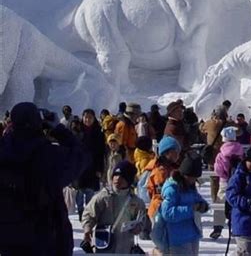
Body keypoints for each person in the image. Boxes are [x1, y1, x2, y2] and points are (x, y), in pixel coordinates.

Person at [0, 102, 87, 256]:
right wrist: (59, 130)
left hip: (8, 240)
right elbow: (81, 156)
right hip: (47, 239)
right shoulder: (50, 155)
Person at [82, 160, 147, 254]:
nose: (117, 179)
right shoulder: (104, 197)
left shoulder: (136, 201)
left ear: (129, 180)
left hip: (125, 247)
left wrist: (138, 227)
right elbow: (89, 214)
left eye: (122, 176)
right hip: (105, 245)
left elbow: (142, 219)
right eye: (115, 175)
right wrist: (87, 228)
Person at [160, 152, 209, 255]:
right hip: (177, 238)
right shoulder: (172, 189)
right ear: (185, 175)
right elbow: (167, 213)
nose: (194, 180)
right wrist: (190, 209)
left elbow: (198, 199)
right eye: (192, 177)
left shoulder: (190, 187)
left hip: (192, 235)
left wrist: (203, 205)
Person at [200, 106, 230, 240]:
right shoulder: (229, 124)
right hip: (227, 159)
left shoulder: (210, 123)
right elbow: (240, 131)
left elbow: (201, 128)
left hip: (213, 158)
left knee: (214, 181)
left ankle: (215, 201)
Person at [213, 126, 245, 239]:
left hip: (225, 181)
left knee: (220, 202)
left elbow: (218, 170)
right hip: (238, 180)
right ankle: (234, 227)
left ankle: (218, 226)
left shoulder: (221, 154)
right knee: (236, 203)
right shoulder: (240, 150)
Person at [76, 109, 106, 222]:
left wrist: (100, 168)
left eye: (90, 118)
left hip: (92, 165)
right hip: (79, 165)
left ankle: (87, 212)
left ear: (94, 119)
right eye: (85, 117)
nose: (87, 120)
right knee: (79, 191)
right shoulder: (77, 132)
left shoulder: (99, 133)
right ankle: (80, 210)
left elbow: (101, 152)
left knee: (89, 191)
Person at [146, 135, 181, 220]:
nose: (178, 154)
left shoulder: (171, 168)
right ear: (166, 153)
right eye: (175, 151)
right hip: (159, 210)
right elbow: (162, 193)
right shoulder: (161, 171)